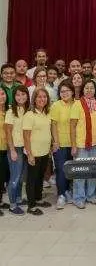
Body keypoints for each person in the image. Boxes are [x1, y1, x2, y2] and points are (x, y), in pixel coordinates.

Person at [70, 80, 96, 208]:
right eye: (87, 88)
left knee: (92, 171)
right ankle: (78, 197)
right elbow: (72, 127)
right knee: (80, 172)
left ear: (95, 90)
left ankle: (90, 195)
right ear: (82, 90)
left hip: (95, 144)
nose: (89, 90)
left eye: (92, 88)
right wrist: (73, 145)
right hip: (81, 145)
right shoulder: (77, 104)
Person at [22, 88, 53, 215]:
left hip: (44, 152)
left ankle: (38, 198)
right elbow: (26, 136)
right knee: (32, 179)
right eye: (39, 97)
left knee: (40, 177)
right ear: (34, 99)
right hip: (33, 153)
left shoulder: (47, 113)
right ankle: (31, 205)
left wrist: (50, 148)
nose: (42, 99)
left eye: (44, 97)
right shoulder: (29, 115)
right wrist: (29, 154)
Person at [50, 80, 76, 209]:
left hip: (74, 143)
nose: (64, 93)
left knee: (71, 170)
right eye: (62, 91)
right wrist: (55, 142)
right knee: (61, 169)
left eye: (67, 91)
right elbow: (53, 124)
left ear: (72, 91)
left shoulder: (77, 104)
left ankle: (67, 191)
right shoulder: (56, 105)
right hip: (60, 144)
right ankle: (61, 194)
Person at [4, 85, 29, 215]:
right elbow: (8, 132)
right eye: (18, 95)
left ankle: (18, 199)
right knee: (15, 177)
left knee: (21, 178)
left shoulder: (28, 110)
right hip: (16, 148)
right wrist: (12, 150)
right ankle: (12, 205)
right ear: (14, 97)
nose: (21, 97)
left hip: (26, 148)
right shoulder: (10, 112)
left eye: (23, 94)